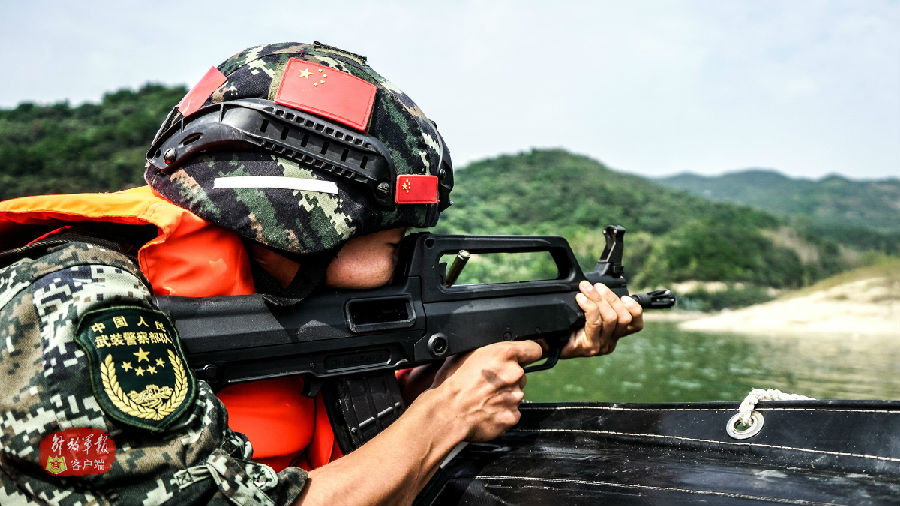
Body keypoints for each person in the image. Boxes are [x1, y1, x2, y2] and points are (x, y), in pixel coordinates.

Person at [0, 42, 643, 506]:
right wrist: (447, 414)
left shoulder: (268, 286)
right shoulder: (74, 305)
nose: (404, 260)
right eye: (392, 240)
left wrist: (496, 350)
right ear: (303, 221)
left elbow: (337, 386)